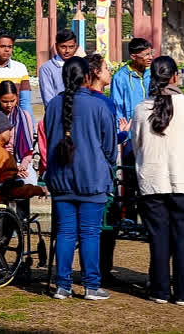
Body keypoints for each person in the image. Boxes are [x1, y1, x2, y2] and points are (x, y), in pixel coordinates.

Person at [43, 54, 118, 301]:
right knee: (89, 233)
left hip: (61, 179)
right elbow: (110, 146)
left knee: (65, 232)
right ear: (87, 76)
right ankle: (91, 286)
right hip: (92, 179)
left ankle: (62, 286)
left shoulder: (53, 105)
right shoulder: (99, 105)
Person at [132, 56, 184, 305]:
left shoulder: (142, 108)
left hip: (152, 180)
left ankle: (160, 290)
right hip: (183, 178)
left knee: (158, 238)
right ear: (175, 76)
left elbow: (136, 145)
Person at [99, 36, 154, 281]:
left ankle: (146, 214)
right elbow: (119, 108)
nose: (150, 57)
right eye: (145, 54)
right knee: (130, 175)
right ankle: (129, 215)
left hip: (152, 132)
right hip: (130, 133)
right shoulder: (122, 77)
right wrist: (126, 128)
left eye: (151, 52)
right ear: (134, 56)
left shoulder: (152, 73)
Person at [38, 30, 79, 106]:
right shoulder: (47, 69)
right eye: (63, 47)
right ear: (56, 46)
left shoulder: (80, 65)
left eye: (71, 47)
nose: (67, 51)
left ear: (75, 47)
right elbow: (48, 99)